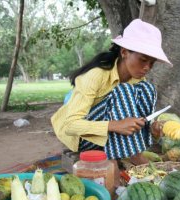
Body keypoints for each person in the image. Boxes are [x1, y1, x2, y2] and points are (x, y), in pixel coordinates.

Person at [51, 19, 172, 167]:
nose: (147, 67)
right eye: (143, 60)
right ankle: (122, 159)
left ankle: (134, 153)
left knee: (147, 88)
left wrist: (150, 127)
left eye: (151, 63)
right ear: (124, 52)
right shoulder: (96, 75)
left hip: (112, 135)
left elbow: (135, 115)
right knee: (123, 91)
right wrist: (115, 125)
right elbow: (70, 125)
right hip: (82, 138)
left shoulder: (138, 80)